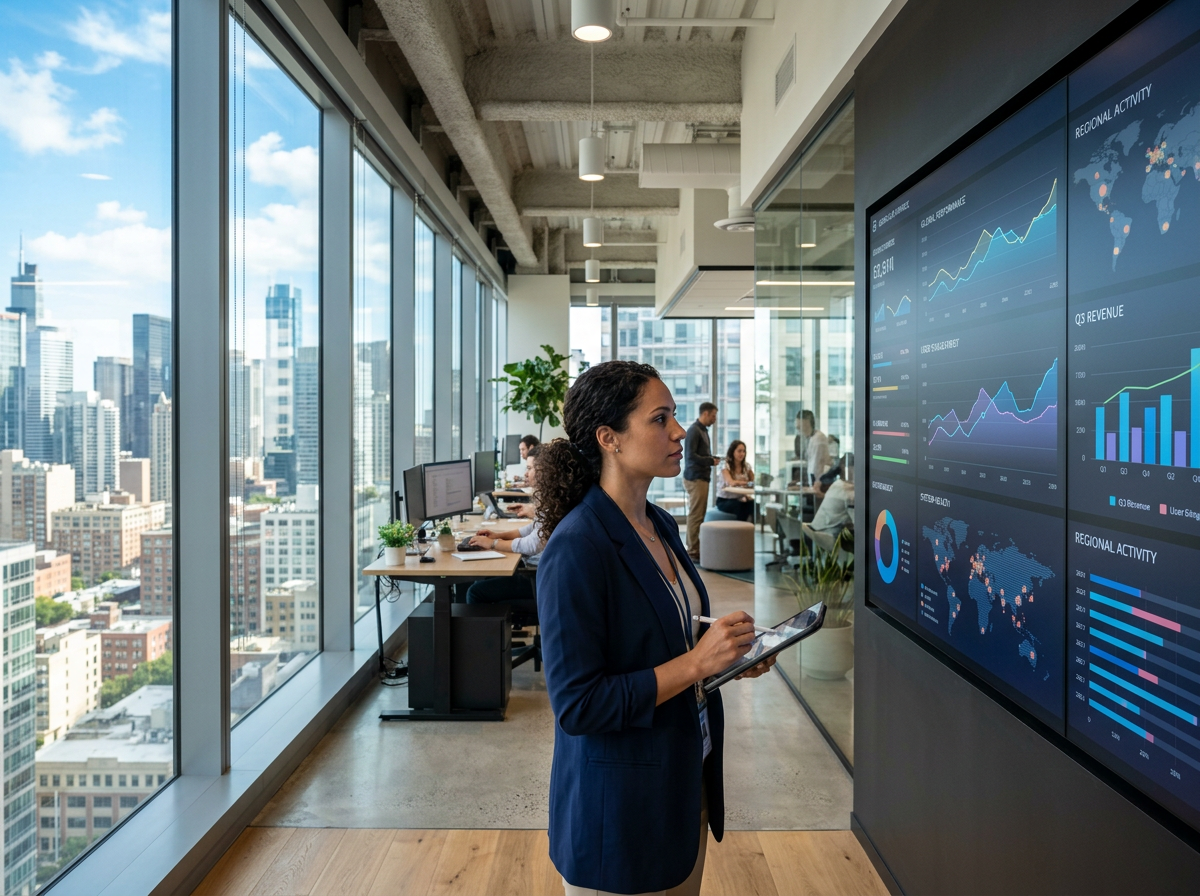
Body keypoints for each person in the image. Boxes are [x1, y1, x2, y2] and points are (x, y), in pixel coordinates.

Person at [536, 362, 775, 896]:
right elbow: (578, 705)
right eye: (660, 418)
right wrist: (697, 663)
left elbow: (670, 642)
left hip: (681, 783)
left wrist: (728, 659)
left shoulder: (658, 523)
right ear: (609, 439)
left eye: (676, 416)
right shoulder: (577, 547)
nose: (678, 432)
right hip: (619, 810)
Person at [465, 446, 545, 604]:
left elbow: (531, 545)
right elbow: (530, 529)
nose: (526, 474)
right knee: (481, 580)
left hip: (538, 578)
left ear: (544, 471)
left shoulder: (554, 505)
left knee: (475, 592)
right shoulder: (553, 502)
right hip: (536, 571)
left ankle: (485, 629)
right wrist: (498, 536)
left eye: (529, 468)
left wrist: (493, 543)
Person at [682, 402, 719, 560]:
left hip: (701, 477)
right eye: (713, 415)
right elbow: (690, 456)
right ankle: (692, 550)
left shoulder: (702, 431)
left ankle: (694, 547)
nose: (715, 419)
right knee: (696, 515)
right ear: (705, 413)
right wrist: (710, 461)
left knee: (699, 513)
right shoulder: (694, 431)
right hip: (695, 477)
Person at [715, 440, 754, 523]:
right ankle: (740, 530)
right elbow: (731, 482)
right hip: (724, 500)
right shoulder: (726, 466)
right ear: (733, 452)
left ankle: (749, 530)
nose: (742, 454)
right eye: (739, 451)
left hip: (740, 498)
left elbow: (753, 481)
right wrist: (745, 482)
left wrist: (741, 482)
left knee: (753, 504)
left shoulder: (746, 466)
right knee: (740, 506)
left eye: (743, 451)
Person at [797, 410, 830, 484]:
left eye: (799, 427)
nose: (798, 431)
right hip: (815, 479)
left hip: (818, 481)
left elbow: (817, 465)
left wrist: (815, 484)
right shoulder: (812, 438)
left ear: (806, 423)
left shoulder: (818, 439)